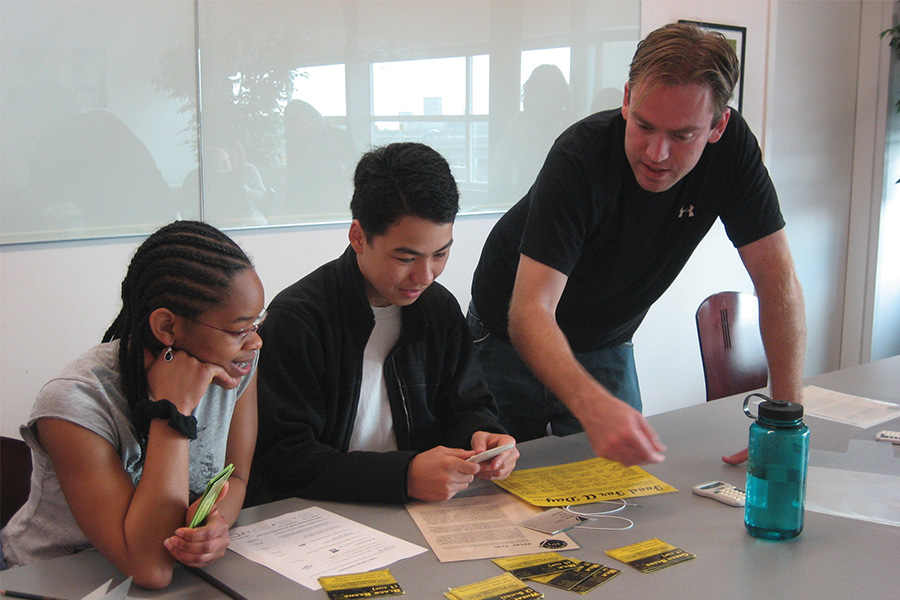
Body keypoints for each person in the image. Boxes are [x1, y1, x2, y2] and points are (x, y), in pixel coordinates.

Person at [468, 22, 806, 467]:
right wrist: (594, 406)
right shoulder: (580, 157)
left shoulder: (734, 153)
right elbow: (531, 311)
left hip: (607, 337)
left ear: (718, 125)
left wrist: (783, 419)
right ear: (627, 99)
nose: (656, 153)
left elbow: (776, 280)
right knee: (500, 486)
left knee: (619, 489)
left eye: (682, 136)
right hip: (505, 332)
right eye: (645, 126)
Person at [248, 142, 518, 506]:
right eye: (406, 257)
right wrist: (403, 476)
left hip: (419, 512)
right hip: (321, 516)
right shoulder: (299, 320)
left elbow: (467, 406)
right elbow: (283, 458)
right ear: (358, 237)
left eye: (440, 254)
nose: (425, 276)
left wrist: (486, 437)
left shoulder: (437, 310)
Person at [0, 221, 265, 589]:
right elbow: (151, 569)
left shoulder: (233, 370)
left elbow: (236, 478)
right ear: (167, 328)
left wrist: (212, 525)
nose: (256, 343)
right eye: (240, 329)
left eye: (257, 323)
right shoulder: (74, 402)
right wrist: (172, 413)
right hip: (54, 580)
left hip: (172, 575)